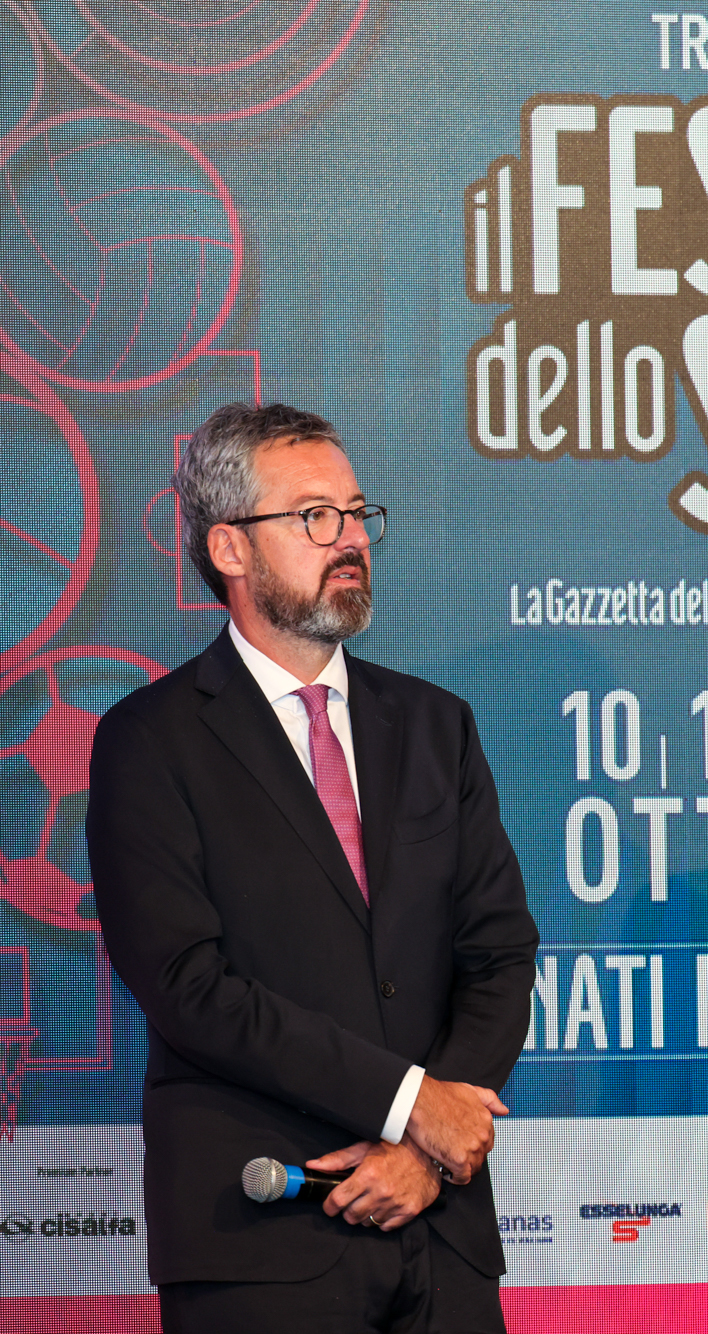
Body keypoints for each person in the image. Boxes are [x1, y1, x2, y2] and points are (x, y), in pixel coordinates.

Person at [86, 402, 539, 1333]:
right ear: (230, 548)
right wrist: (412, 1103)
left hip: (440, 1228)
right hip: (262, 1233)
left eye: (358, 514)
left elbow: (498, 954)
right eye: (314, 517)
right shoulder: (149, 742)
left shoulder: (435, 726)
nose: (351, 539)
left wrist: (429, 1149)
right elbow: (187, 987)